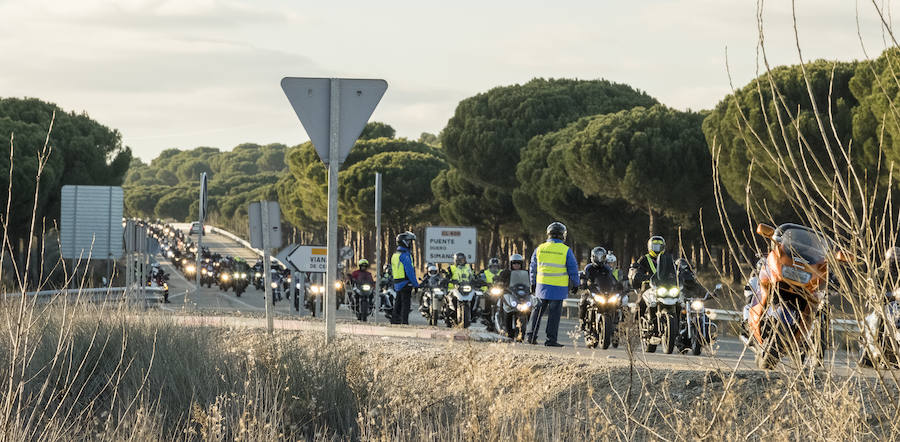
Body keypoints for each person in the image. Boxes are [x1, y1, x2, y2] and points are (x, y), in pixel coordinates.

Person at [526, 222, 579, 347]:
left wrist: (532, 283)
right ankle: (551, 340)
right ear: (563, 235)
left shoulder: (540, 249)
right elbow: (573, 268)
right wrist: (575, 284)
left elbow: (533, 268)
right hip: (558, 288)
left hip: (542, 287)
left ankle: (530, 336)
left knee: (537, 312)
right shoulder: (566, 250)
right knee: (554, 316)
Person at [578, 247, 621, 330]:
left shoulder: (607, 268)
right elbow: (584, 276)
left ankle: (616, 324)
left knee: (616, 303)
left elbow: (611, 278)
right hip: (591, 290)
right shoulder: (589, 268)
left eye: (602, 257)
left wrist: (618, 285)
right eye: (597, 256)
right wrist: (583, 283)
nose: (600, 259)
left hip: (604, 291)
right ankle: (582, 321)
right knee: (583, 300)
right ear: (593, 257)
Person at [391, 232, 419, 324]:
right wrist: (415, 284)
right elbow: (410, 271)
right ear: (405, 242)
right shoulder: (405, 255)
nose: (410, 243)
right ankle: (404, 322)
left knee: (398, 303)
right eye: (409, 241)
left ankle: (395, 321)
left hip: (397, 283)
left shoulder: (395, 255)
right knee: (405, 304)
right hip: (406, 283)